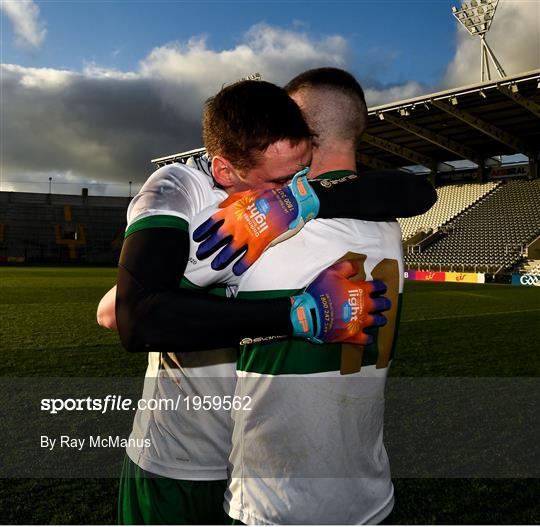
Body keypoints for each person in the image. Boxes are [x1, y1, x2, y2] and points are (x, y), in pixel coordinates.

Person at [98, 78, 435, 524]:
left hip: (248, 462)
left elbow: (411, 190)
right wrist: (294, 314)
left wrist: (302, 199)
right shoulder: (190, 195)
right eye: (281, 179)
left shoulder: (283, 212)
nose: (290, 185)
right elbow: (122, 313)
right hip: (180, 450)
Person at [195, 68, 404, 524]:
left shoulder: (260, 230)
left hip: (279, 504)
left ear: (299, 133)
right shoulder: (390, 226)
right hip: (370, 497)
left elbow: (131, 309)